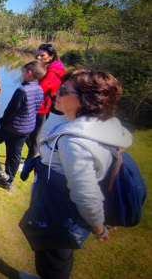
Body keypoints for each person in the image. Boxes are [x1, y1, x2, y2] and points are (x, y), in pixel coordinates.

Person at [18, 68, 132, 279]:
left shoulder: (75, 142)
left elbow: (85, 193)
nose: (56, 94)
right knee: (47, 253)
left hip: (62, 216)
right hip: (55, 210)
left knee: (56, 260)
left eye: (63, 91)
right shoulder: (96, 127)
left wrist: (98, 228)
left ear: (86, 100)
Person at [0, 60, 45, 192]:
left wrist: (2, 121)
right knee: (15, 154)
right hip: (27, 128)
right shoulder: (40, 89)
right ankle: (9, 181)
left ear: (29, 73)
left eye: (24, 72)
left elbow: (11, 110)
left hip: (13, 127)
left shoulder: (22, 90)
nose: (23, 74)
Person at [25, 44, 66, 160]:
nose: (38, 58)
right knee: (27, 134)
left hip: (43, 108)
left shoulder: (53, 72)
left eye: (42, 55)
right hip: (36, 106)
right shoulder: (45, 68)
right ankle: (36, 154)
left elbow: (40, 88)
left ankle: (30, 161)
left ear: (51, 56)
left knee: (34, 136)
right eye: (37, 55)